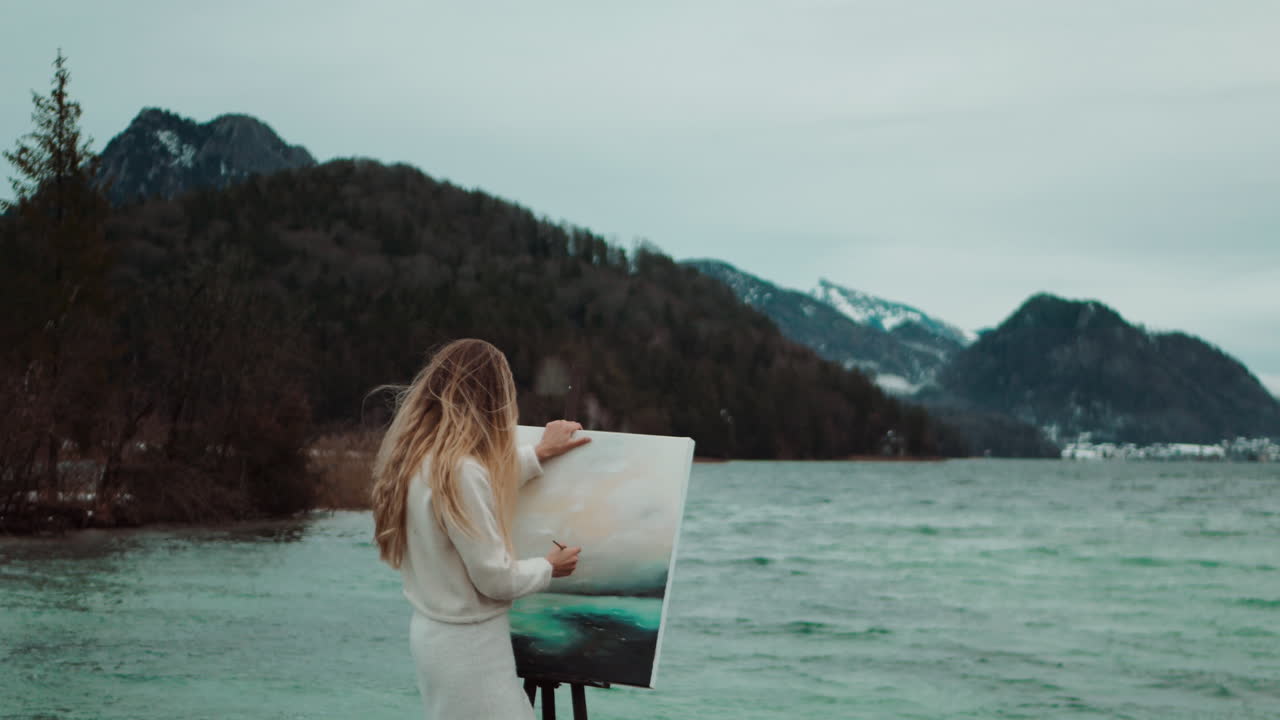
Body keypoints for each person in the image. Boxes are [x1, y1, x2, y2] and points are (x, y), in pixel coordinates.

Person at [370, 339, 590, 719]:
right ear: (491, 398)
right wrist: (549, 567)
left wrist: (537, 454)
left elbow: (481, 484)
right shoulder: (461, 472)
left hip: (435, 639)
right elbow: (495, 578)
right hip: (470, 651)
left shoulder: (418, 459)